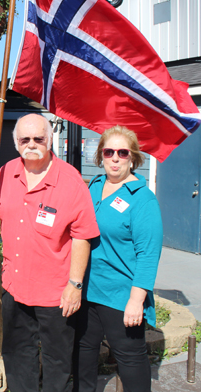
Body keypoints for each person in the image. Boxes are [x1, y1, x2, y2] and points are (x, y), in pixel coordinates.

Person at [0, 113, 99, 392]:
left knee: (57, 358)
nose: (31, 144)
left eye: (38, 138)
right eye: (25, 139)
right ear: (16, 142)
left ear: (49, 141)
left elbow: (82, 236)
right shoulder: (6, 171)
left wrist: (75, 285)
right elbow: (1, 212)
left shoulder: (70, 181)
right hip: (14, 284)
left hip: (55, 291)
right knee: (17, 353)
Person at [72, 126, 163, 392]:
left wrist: (137, 300)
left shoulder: (143, 199)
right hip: (88, 291)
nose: (115, 158)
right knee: (84, 353)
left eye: (122, 153)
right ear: (101, 155)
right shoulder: (95, 186)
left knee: (130, 359)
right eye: (109, 151)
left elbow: (148, 255)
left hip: (121, 295)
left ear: (132, 158)